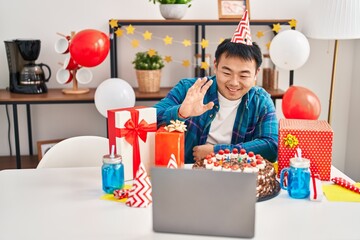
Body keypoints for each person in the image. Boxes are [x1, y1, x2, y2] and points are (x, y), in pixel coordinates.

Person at [153, 12, 278, 164]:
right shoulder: (189, 89)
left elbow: (272, 146)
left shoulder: (261, 101)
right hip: (188, 175)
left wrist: (218, 151)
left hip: (237, 177)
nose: (234, 82)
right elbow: (150, 119)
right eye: (226, 72)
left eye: (244, 75)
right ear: (215, 66)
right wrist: (181, 113)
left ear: (256, 73)